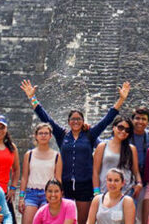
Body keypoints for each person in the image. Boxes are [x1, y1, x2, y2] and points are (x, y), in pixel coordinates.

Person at [21, 79, 130, 224]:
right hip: (65, 184)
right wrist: (32, 97)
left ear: (83, 121)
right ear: (68, 121)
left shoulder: (90, 134)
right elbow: (45, 118)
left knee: (82, 220)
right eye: (73, 119)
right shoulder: (62, 135)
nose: (76, 121)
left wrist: (121, 99)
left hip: (84, 184)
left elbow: (107, 120)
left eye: (79, 119)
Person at [19, 123, 63, 224]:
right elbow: (24, 177)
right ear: (36, 136)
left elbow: (58, 179)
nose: (43, 136)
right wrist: (21, 197)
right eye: (41, 133)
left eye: (46, 133)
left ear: (50, 136)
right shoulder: (29, 154)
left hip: (48, 194)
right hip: (31, 194)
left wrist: (59, 198)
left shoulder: (57, 156)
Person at [93, 116, 142, 196]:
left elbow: (136, 171)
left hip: (126, 192)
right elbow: (95, 172)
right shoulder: (102, 146)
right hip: (104, 192)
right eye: (120, 127)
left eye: (127, 130)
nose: (123, 131)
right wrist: (96, 191)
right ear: (113, 127)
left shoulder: (131, 149)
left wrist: (139, 183)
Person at [131, 106, 149, 220]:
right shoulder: (125, 134)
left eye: (143, 119)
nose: (140, 122)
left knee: (142, 216)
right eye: (137, 118)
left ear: (148, 122)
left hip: (145, 182)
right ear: (132, 120)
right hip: (128, 182)